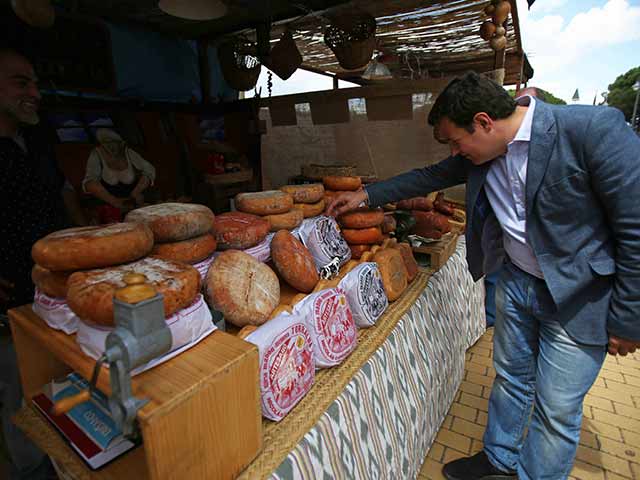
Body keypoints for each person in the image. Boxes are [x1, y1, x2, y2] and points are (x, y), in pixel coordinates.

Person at [327, 72, 640, 480]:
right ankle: (499, 459)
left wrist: (629, 318)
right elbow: (427, 176)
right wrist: (366, 195)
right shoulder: (483, 151)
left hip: (579, 297)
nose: (457, 152)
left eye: (457, 141)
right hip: (516, 283)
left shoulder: (591, 130)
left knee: (556, 408)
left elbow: (635, 228)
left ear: (484, 122)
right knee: (511, 379)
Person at [0, 46, 73, 479]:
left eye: (35, 82)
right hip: (9, 304)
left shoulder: (38, 139)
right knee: (18, 392)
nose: (36, 93)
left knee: (61, 385)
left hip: (57, 294)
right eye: (20, 82)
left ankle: (70, 461)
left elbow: (63, 196)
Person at [83, 128, 155, 223]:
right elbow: (89, 183)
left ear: (121, 143)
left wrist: (136, 192)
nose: (110, 147)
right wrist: (115, 201)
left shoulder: (128, 152)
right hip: (109, 206)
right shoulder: (96, 154)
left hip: (133, 203)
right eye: (106, 144)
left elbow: (149, 170)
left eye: (113, 143)